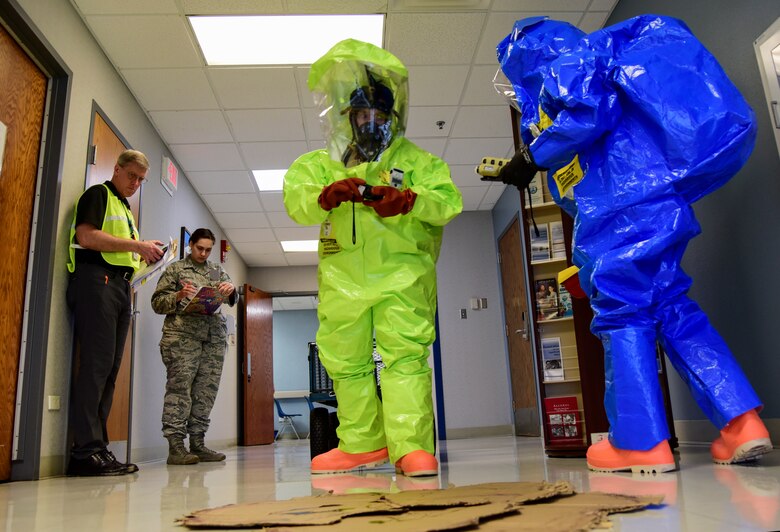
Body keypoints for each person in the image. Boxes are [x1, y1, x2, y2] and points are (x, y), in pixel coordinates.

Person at [490, 15, 772, 473]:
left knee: (622, 315)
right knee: (673, 307)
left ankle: (639, 443)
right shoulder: (597, 57)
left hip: (618, 209)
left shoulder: (563, 64)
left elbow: (587, 112)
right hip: (657, 201)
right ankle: (742, 423)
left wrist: (529, 157)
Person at [284, 39, 462, 477]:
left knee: (404, 357)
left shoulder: (416, 162)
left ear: (393, 118)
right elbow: (297, 202)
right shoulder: (320, 165)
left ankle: (411, 448)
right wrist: (326, 196)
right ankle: (362, 443)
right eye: (362, 114)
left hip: (402, 274)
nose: (370, 122)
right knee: (346, 360)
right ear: (347, 117)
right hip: (343, 277)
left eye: (379, 115)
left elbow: (448, 202)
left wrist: (409, 199)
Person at [66, 149, 164, 476]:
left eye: (141, 180)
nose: (135, 183)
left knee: (109, 370)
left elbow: (123, 253)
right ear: (117, 169)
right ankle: (84, 452)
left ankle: (99, 447)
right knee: (96, 366)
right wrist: (138, 247)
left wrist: (145, 259)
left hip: (120, 288)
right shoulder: (99, 194)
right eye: (132, 175)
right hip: (97, 283)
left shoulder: (126, 210)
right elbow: (87, 236)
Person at [151, 228, 236, 465]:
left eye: (208, 249)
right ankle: (176, 446)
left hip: (212, 339)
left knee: (206, 392)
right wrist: (178, 295)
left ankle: (197, 443)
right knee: (180, 390)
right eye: (200, 248)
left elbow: (230, 296)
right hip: (182, 338)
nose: (204, 253)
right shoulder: (176, 270)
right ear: (191, 245)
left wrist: (230, 291)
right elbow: (157, 303)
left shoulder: (216, 270)